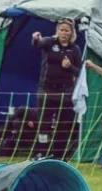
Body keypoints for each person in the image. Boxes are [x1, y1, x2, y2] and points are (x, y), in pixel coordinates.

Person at [32, 19, 82, 159]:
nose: (64, 33)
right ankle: (42, 152)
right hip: (46, 90)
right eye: (61, 29)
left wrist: (70, 67)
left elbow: (79, 72)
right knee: (44, 124)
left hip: (66, 92)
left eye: (67, 30)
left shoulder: (75, 49)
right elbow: (38, 44)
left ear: (72, 32)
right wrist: (35, 39)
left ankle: (58, 155)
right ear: (57, 31)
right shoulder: (49, 42)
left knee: (64, 125)